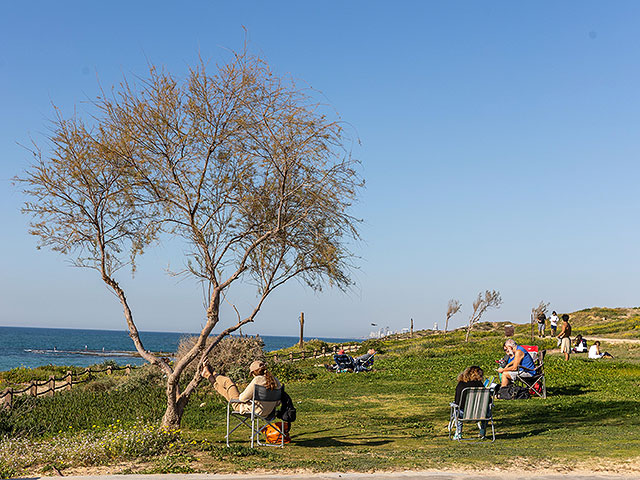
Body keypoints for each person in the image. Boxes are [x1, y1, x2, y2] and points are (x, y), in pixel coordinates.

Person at [201, 359, 281, 415]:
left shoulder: (257, 380)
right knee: (227, 393)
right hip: (268, 412)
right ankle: (210, 374)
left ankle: (211, 374)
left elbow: (242, 398)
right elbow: (278, 402)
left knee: (228, 382)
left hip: (252, 410)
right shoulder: (276, 380)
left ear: (254, 372)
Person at [452, 366, 487, 440]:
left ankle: (458, 433)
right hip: (481, 414)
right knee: (487, 408)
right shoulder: (480, 386)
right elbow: (488, 401)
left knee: (456, 409)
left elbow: (458, 402)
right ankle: (482, 432)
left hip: (464, 414)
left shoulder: (461, 385)